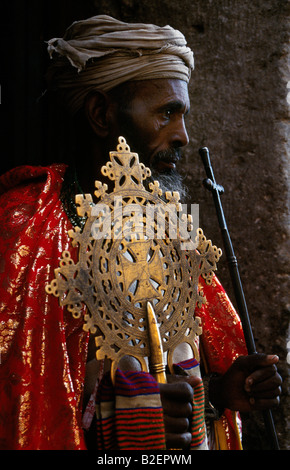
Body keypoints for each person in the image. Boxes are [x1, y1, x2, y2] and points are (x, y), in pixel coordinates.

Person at [0, 15, 281, 451]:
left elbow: (181, 382)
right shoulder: (24, 225)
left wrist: (221, 391)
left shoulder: (171, 230)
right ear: (100, 114)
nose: (183, 136)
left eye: (183, 116)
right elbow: (21, 400)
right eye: (166, 113)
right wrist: (115, 416)